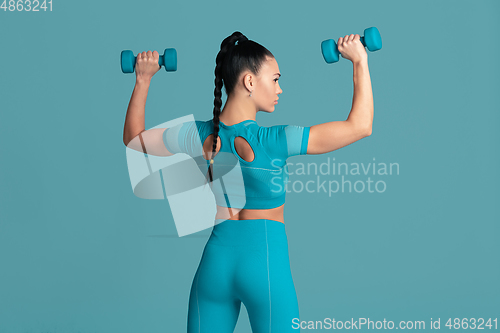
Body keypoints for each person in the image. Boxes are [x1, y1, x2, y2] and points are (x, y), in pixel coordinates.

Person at [123, 31, 373, 333]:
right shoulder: (276, 139)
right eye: (276, 79)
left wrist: (143, 79)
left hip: (215, 267)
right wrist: (359, 60)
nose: (280, 89)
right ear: (250, 82)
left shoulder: (198, 134)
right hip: (266, 266)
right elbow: (360, 126)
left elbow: (135, 142)